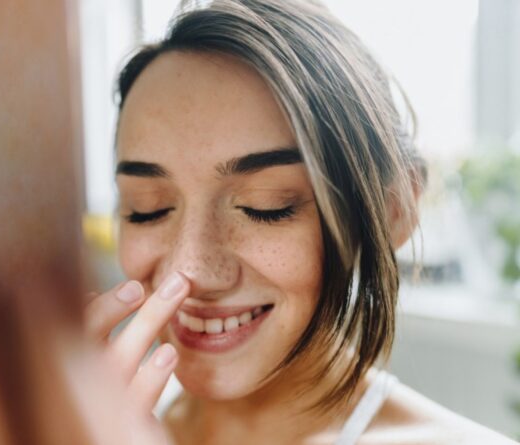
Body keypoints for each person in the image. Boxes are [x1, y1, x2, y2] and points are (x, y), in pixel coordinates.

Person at [83, 0, 517, 443]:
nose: (190, 270)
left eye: (264, 205)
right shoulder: (95, 424)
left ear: (392, 214)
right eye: (147, 208)